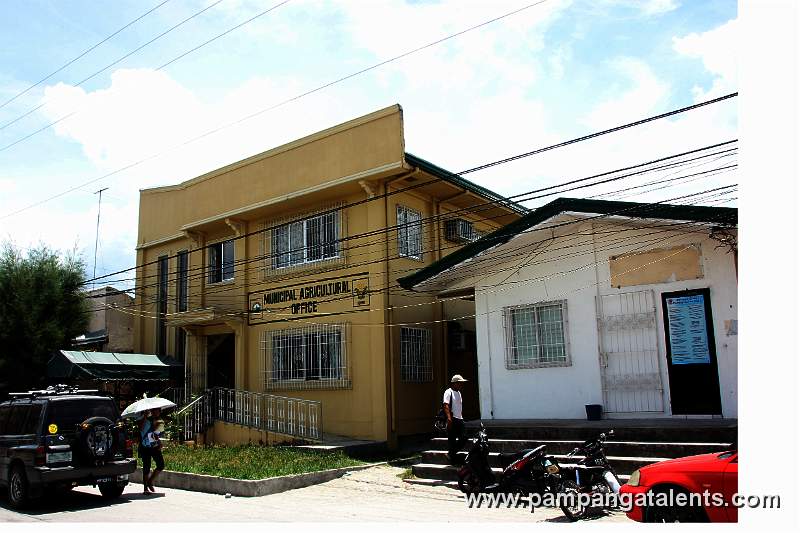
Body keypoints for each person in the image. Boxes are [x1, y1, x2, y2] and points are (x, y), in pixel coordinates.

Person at [138, 408, 165, 494]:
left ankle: (150, 481)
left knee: (161, 465)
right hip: (145, 446)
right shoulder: (144, 419)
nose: (156, 412)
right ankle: (145, 488)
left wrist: (159, 442)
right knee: (146, 466)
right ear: (151, 411)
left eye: (158, 411)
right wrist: (145, 416)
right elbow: (140, 429)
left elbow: (155, 434)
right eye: (155, 410)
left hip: (154, 446)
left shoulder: (160, 421)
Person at [443, 374, 468, 465]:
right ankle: (452, 460)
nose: (461, 385)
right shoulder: (448, 392)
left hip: (459, 419)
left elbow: (459, 406)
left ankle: (451, 454)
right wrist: (449, 418)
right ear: (454, 383)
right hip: (452, 419)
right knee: (452, 440)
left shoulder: (459, 393)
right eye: (459, 383)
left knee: (464, 437)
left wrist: (461, 417)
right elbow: (446, 405)